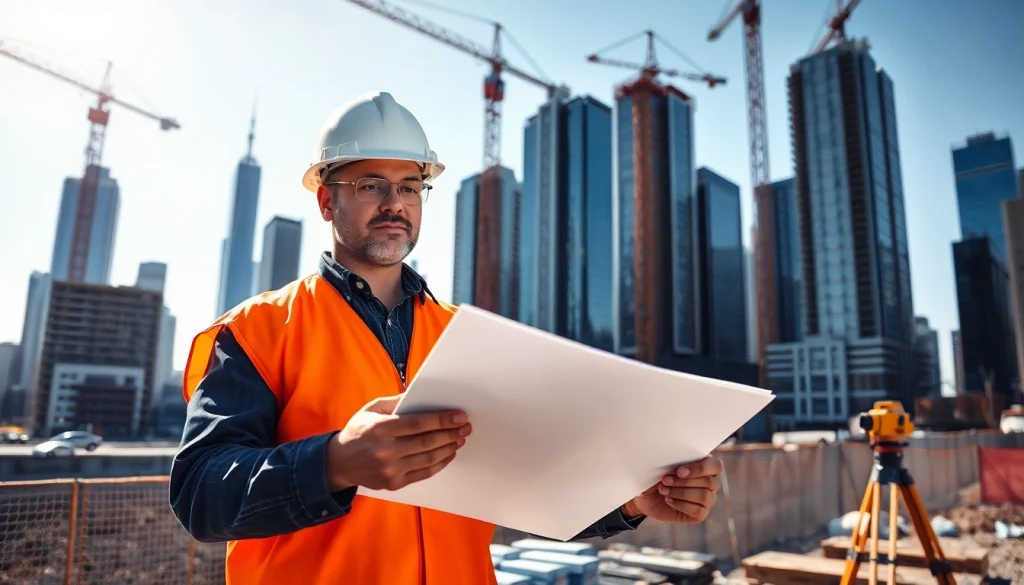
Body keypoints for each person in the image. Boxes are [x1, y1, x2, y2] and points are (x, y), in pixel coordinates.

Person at [168, 91, 724, 585]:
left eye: (411, 186)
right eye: (371, 185)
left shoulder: (467, 336)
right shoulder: (257, 330)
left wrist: (630, 500)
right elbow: (201, 495)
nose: (396, 203)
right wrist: (334, 463)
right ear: (326, 201)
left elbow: (529, 485)